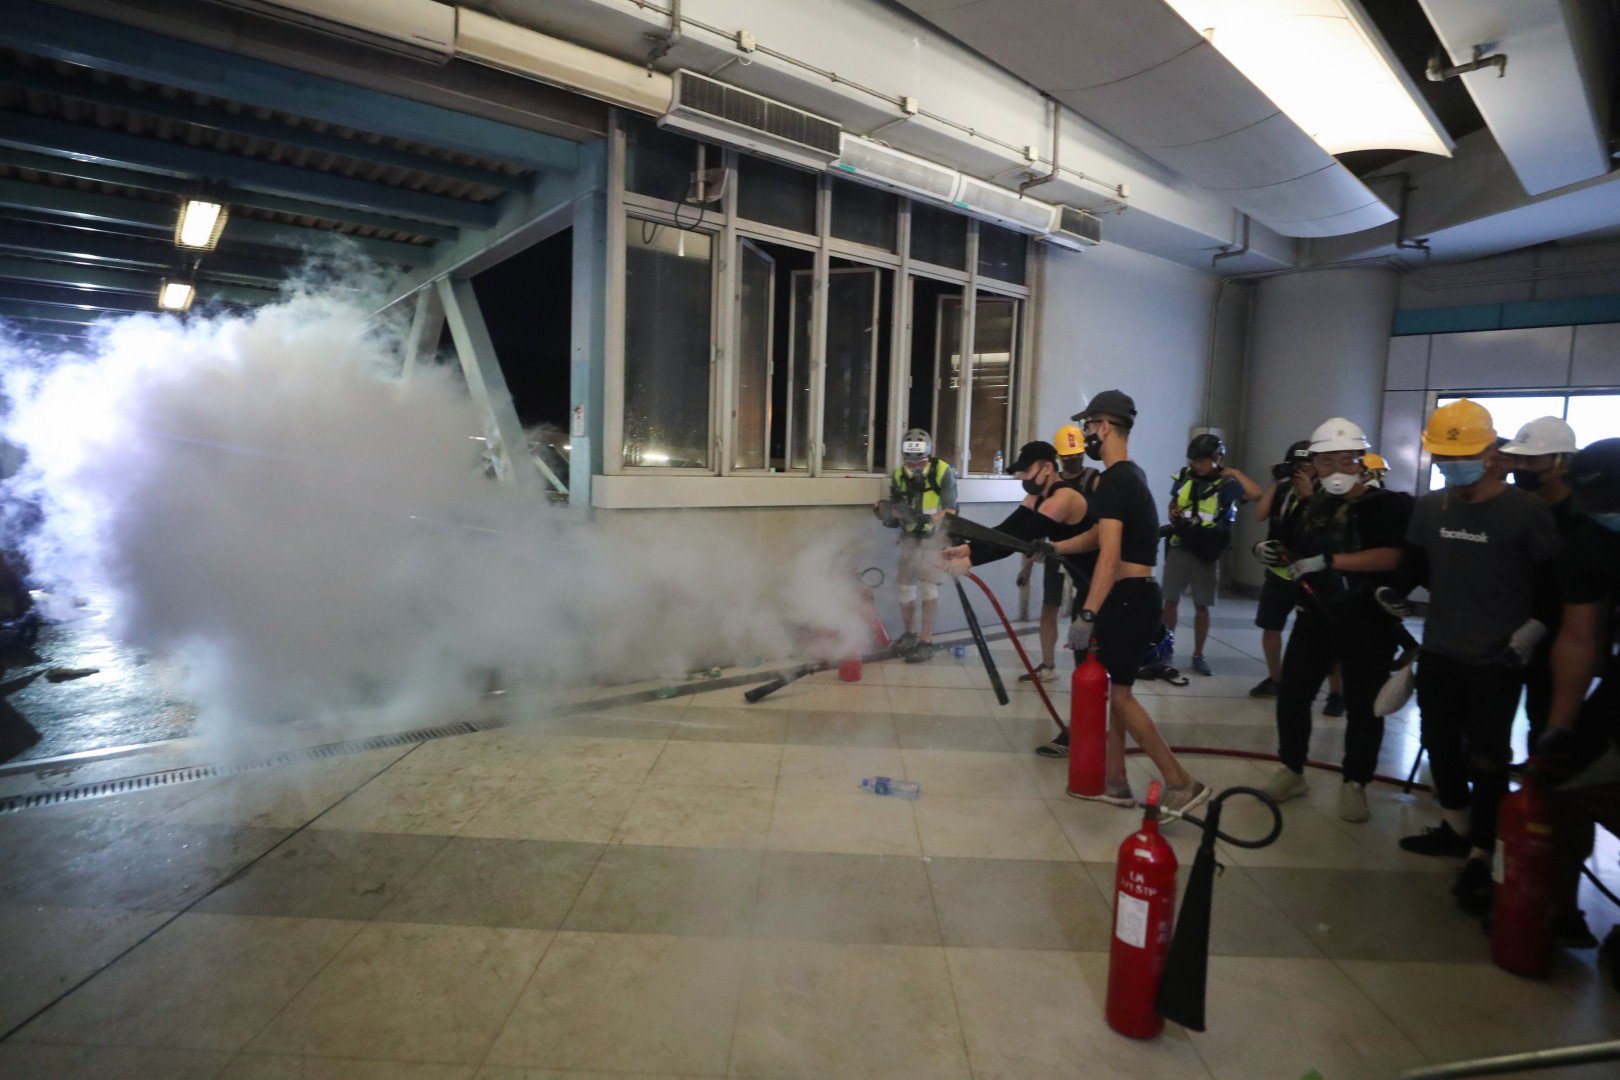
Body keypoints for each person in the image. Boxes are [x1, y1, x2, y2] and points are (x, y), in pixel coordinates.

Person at [1376, 399, 1561, 915]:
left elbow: (1552, 582)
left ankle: (1483, 851)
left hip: (1496, 657)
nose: (1450, 466)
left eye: (1462, 454)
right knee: (1439, 745)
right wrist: (1390, 594)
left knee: (1488, 753)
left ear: (1491, 452)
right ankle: (1459, 828)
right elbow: (1414, 564)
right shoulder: (1430, 508)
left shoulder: (1528, 513)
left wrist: (1534, 628)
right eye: (1442, 456)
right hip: (1440, 649)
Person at [1045, 390, 1210, 814]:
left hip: (1127, 599)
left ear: (1104, 426)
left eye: (1088, 427)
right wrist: (1058, 547)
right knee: (1118, 690)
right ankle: (1116, 782)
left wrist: (1087, 612)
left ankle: (1180, 781)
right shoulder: (1128, 475)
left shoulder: (1116, 480)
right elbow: (1101, 534)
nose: (1086, 437)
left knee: (1120, 698)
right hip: (1136, 598)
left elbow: (1110, 555)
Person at [1256, 418, 1411, 823]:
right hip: (1315, 617)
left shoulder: (1387, 506)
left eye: (1344, 460)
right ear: (1315, 466)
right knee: (1293, 694)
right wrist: (1268, 550)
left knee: (1364, 705)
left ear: (1360, 461)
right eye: (1325, 462)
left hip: (1368, 622)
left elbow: (1391, 556)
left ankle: (1354, 783)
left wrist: (1331, 561)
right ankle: (1292, 769)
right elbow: (1286, 544)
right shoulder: (1310, 508)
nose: (1335, 470)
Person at [1536, 437, 1620, 950]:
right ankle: (1560, 910)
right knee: (1565, 783)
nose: (1608, 515)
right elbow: (1577, 635)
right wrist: (1559, 727)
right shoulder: (1590, 539)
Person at [1499, 416, 1582, 757]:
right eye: (1517, 459)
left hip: (1561, 631)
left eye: (1531, 461)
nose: (1521, 467)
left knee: (1544, 714)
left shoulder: (1581, 514)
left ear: (1561, 462)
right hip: (1506, 622)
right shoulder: (1512, 506)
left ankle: (1538, 783)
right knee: (1493, 712)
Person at [1161, 433, 1261, 676]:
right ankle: (1166, 650)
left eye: (1203, 461)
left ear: (1217, 458)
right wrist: (1174, 513)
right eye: (1195, 461)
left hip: (1206, 551)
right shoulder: (1185, 476)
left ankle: (1198, 654)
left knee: (1202, 605)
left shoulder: (1227, 485)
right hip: (1180, 545)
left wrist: (1235, 473)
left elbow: (1256, 495)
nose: (1198, 466)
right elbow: (1174, 503)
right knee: (1170, 600)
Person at [876, 428, 958, 663]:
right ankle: (910, 634)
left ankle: (926, 640)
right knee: (904, 588)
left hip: (934, 537)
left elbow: (951, 509)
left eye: (920, 462)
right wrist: (889, 513)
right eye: (910, 463)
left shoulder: (942, 471)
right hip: (910, 538)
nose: (915, 468)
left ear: (928, 455)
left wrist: (927, 519)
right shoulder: (900, 475)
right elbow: (897, 506)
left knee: (928, 588)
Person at [1018, 424, 1092, 683]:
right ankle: (1048, 665)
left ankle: (1087, 670)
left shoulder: (1094, 480)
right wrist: (1026, 568)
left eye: (1077, 456)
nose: (1073, 461)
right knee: (1049, 607)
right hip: (1053, 554)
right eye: (1068, 456)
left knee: (1085, 615)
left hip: (1085, 561)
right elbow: (1033, 530)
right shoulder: (1048, 487)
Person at [1249, 440, 1313, 699]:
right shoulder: (1283, 490)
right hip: (1278, 572)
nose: (1301, 471)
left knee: (1314, 633)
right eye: (1296, 466)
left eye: (1306, 466)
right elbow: (1260, 514)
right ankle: (1276, 679)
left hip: (1310, 574)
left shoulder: (1323, 493)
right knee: (1270, 626)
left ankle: (1335, 693)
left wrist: (1308, 493)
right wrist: (1277, 481)